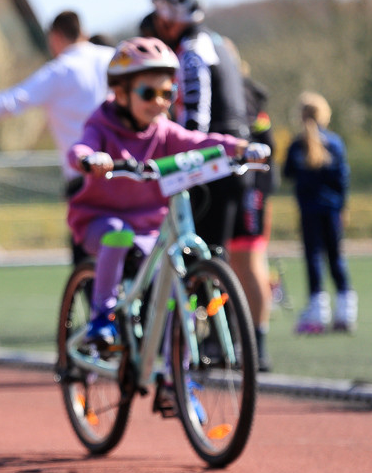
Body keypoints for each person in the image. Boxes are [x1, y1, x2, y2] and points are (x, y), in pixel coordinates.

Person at [66, 37, 268, 350]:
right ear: (120, 93)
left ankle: (178, 382)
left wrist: (240, 147)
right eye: (149, 93)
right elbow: (81, 147)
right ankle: (101, 318)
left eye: (167, 93)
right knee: (117, 235)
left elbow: (198, 141)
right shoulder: (102, 124)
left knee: (176, 286)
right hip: (101, 219)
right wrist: (89, 159)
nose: (160, 102)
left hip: (150, 226)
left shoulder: (163, 129)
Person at [0, 10, 113, 264]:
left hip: (86, 179)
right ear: (84, 33)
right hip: (128, 170)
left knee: (88, 260)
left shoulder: (61, 71)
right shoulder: (114, 59)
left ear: (55, 38)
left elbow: (11, 102)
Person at [151, 0, 251, 251]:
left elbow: (196, 121)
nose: (158, 20)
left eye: (161, 10)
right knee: (216, 255)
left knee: (200, 255)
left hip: (211, 160)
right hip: (233, 153)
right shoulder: (216, 43)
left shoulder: (192, 51)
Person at [283, 91, 356, 334]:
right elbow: (342, 178)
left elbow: (287, 173)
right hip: (332, 209)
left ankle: (317, 311)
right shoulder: (335, 142)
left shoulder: (297, 144)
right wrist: (342, 206)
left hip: (309, 209)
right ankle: (346, 310)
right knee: (336, 257)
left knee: (313, 257)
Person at [225, 40, 277, 369]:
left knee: (249, 261)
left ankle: (257, 346)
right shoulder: (241, 93)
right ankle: (236, 340)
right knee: (232, 264)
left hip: (247, 188)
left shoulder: (243, 93)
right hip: (242, 188)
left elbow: (263, 146)